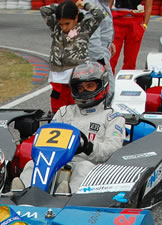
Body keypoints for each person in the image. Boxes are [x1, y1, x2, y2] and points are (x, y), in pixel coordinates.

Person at [53, 61, 126, 192]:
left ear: (102, 85)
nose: (84, 90)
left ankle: (69, 201)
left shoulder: (112, 117)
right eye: (80, 87)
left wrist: (87, 147)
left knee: (83, 167)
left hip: (93, 167)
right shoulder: (64, 112)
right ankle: (23, 197)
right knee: (32, 165)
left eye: (89, 86)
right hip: (59, 162)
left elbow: (112, 149)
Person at [40, 0, 107, 113]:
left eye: (67, 23)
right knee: (57, 105)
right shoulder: (56, 28)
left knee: (76, 104)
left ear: (76, 18)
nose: (64, 27)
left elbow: (99, 14)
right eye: (61, 24)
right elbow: (44, 10)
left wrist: (83, 5)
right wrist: (63, 7)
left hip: (77, 73)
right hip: (58, 74)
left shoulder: (85, 28)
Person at [109, 0, 153, 72]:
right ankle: (108, 83)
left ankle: (126, 82)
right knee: (111, 59)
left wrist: (144, 26)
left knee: (131, 61)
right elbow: (109, 4)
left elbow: (148, 6)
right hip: (117, 21)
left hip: (135, 22)